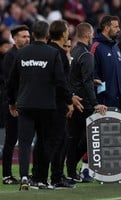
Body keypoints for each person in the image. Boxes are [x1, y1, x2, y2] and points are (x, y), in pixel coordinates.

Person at [6, 20, 75, 191]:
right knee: (45, 142)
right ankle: (41, 180)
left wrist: (12, 102)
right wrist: (69, 101)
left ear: (33, 34)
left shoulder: (21, 54)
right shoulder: (53, 54)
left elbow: (11, 81)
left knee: (24, 143)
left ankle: (24, 176)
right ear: (47, 35)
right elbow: (60, 81)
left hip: (26, 105)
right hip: (46, 106)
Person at [66, 22, 107, 183]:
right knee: (87, 139)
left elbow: (73, 77)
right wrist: (95, 102)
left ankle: (70, 172)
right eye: (92, 34)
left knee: (73, 138)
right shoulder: (87, 55)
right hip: (84, 103)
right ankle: (71, 169)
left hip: (73, 100)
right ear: (88, 35)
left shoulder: (73, 52)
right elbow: (86, 81)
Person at [46, 19, 77, 188]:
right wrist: (69, 101)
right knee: (59, 139)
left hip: (46, 101)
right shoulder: (58, 54)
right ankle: (56, 177)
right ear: (63, 33)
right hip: (57, 103)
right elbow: (61, 82)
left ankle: (46, 176)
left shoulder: (48, 50)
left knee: (51, 140)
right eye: (67, 30)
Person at [1, 25, 30, 185]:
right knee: (11, 140)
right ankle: (6, 175)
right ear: (15, 38)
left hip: (24, 103)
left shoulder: (24, 54)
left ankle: (21, 173)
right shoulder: (10, 56)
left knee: (22, 139)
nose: (27, 39)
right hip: (13, 104)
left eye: (28, 36)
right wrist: (13, 103)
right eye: (23, 36)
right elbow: (10, 83)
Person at [91, 15, 121, 113]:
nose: (119, 29)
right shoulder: (96, 47)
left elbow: (120, 72)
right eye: (115, 27)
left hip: (120, 101)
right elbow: (92, 74)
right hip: (105, 103)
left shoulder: (115, 47)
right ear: (107, 28)